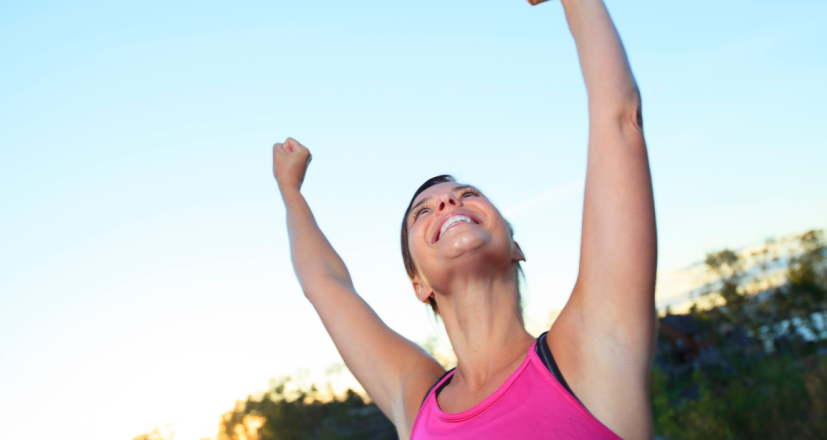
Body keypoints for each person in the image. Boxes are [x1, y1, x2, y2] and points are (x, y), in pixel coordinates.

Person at [271, 0, 656, 438]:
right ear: (419, 284)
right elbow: (325, 284)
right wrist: (289, 190)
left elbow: (618, 121)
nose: (447, 203)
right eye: (423, 211)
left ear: (515, 246)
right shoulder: (416, 402)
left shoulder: (591, 348)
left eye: (467, 195)